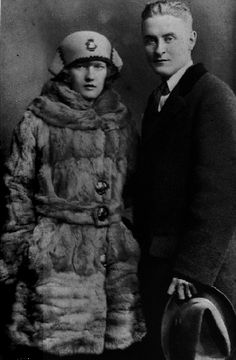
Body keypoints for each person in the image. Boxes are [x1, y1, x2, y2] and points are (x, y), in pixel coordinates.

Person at [0, 30, 146, 360]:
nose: (91, 75)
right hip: (58, 260)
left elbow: (138, 187)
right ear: (66, 70)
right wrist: (26, 246)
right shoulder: (38, 119)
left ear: (109, 70)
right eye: (82, 66)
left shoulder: (120, 122)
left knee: (116, 352)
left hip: (113, 262)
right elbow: (16, 186)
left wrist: (127, 235)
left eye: (98, 65)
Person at [134, 1, 236, 359]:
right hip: (162, 263)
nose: (159, 50)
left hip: (196, 272)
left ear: (191, 39)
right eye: (150, 40)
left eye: (169, 38)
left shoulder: (213, 96)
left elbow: (222, 195)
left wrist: (192, 270)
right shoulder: (158, 98)